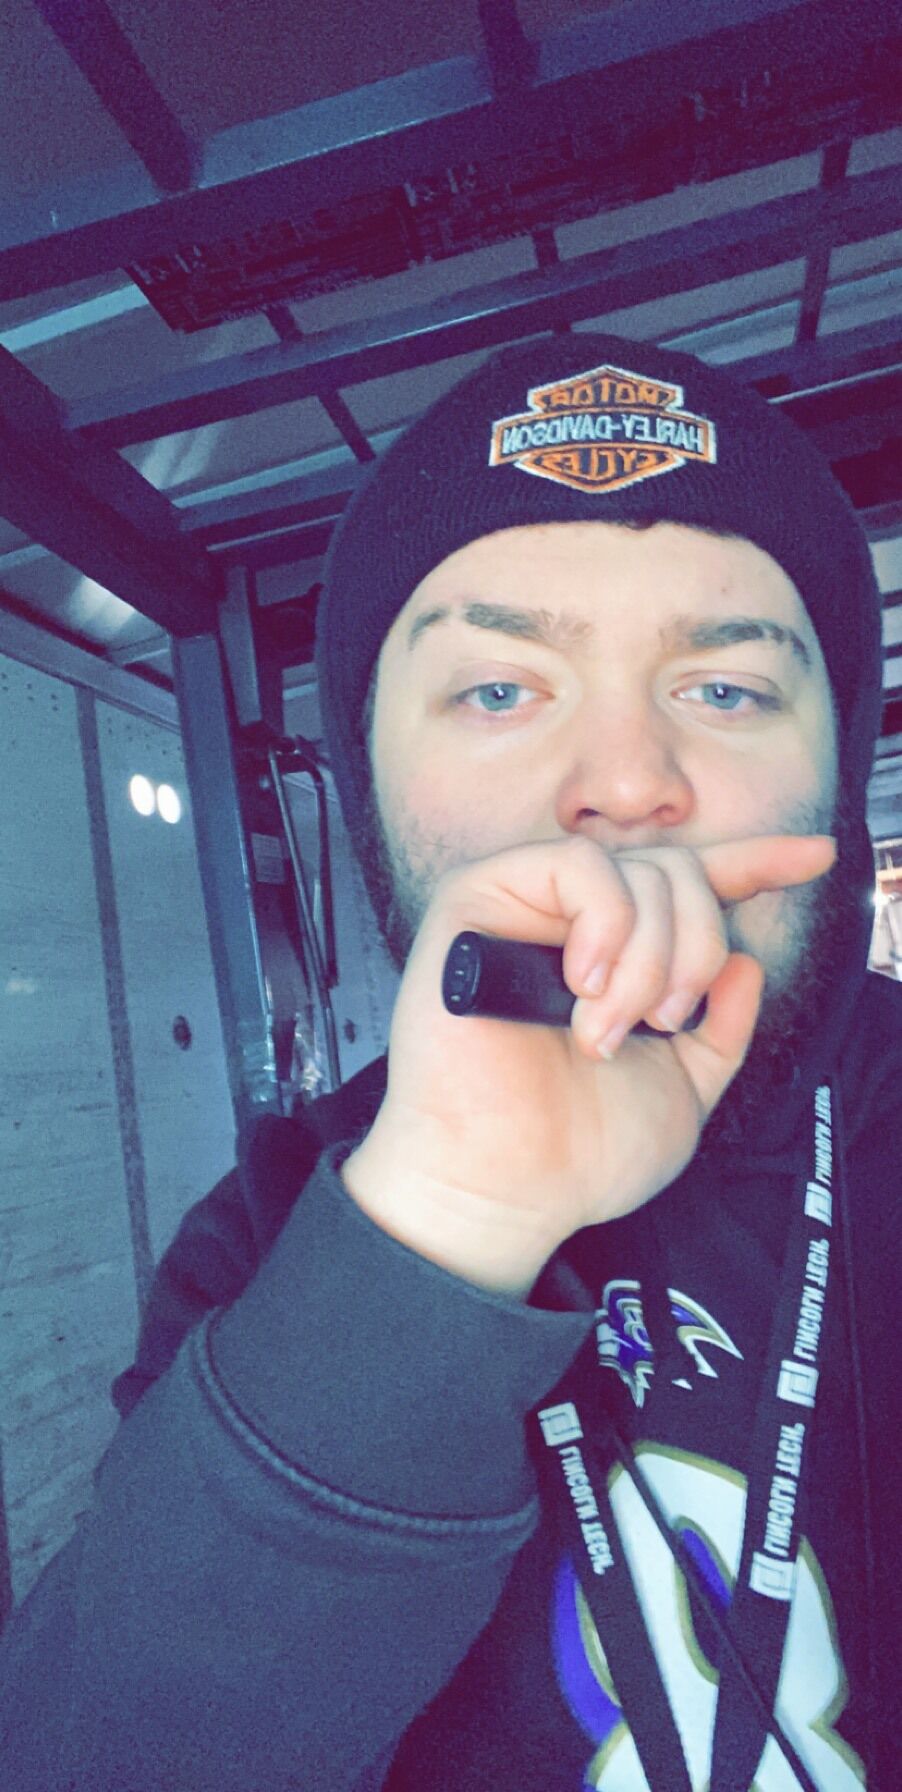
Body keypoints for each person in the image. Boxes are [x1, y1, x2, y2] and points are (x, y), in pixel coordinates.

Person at [1, 333, 899, 1791]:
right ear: (370, 779)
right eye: (497, 690)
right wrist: (447, 1226)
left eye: (726, 690)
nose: (625, 782)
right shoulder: (279, 1233)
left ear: (837, 767)